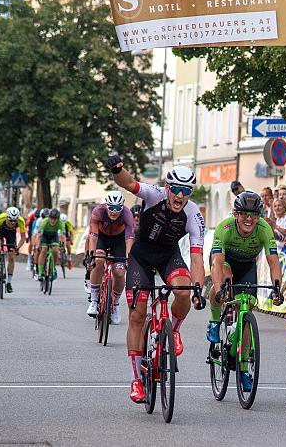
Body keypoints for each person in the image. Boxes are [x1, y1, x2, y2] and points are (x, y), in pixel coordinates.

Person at [106, 155, 206, 404]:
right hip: (141, 256)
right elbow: (129, 184)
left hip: (168, 257)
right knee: (138, 315)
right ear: (168, 188)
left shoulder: (194, 214)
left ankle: (174, 330)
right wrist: (118, 169)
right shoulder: (154, 195)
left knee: (183, 291)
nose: (180, 196)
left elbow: (196, 258)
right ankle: (136, 380)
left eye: (186, 191)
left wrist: (198, 290)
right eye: (176, 190)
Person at [207, 191, 282, 392]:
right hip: (224, 261)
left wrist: (277, 288)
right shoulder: (225, 228)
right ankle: (214, 322)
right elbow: (216, 262)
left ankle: (243, 369)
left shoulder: (265, 229)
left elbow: (273, 261)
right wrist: (220, 288)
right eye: (244, 214)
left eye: (254, 215)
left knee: (246, 307)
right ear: (236, 214)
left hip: (248, 266)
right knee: (220, 284)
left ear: (259, 216)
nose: (249, 219)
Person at [85, 191, 135, 324]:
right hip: (102, 238)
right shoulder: (98, 211)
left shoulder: (127, 214)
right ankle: (94, 300)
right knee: (99, 260)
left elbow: (129, 238)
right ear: (106, 206)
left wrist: (128, 258)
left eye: (118, 208)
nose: (114, 211)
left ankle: (116, 304)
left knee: (119, 272)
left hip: (119, 241)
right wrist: (91, 255)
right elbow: (93, 235)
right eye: (111, 207)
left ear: (122, 207)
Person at [0, 207, 26, 293]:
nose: (13, 222)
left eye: (14, 221)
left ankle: (9, 283)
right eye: (11, 220)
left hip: (11, 234)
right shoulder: (1, 217)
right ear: (7, 217)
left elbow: (23, 237)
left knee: (12, 257)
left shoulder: (20, 221)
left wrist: (18, 247)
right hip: (0, 231)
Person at [37, 209, 66, 281]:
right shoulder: (45, 221)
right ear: (49, 217)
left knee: (55, 251)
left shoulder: (60, 223)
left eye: (55, 219)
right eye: (51, 218)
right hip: (45, 236)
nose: (52, 221)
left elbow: (63, 236)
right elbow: (39, 235)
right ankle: (40, 273)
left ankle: (53, 267)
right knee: (43, 250)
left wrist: (63, 246)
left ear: (58, 219)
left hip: (54, 236)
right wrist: (38, 245)